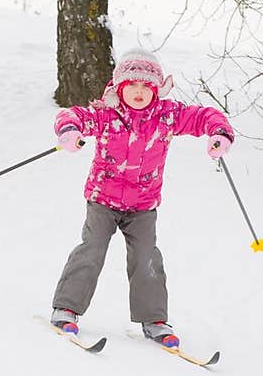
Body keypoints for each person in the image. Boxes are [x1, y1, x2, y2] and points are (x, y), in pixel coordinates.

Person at [50, 50, 234, 348]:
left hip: (142, 206)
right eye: (131, 85)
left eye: (146, 86)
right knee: (92, 249)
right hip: (103, 200)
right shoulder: (107, 115)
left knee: (146, 258)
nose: (138, 92)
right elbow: (72, 115)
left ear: (156, 89)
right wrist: (70, 131)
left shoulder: (167, 115)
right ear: (119, 88)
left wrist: (219, 133)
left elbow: (203, 116)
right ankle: (66, 307)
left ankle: (154, 320)